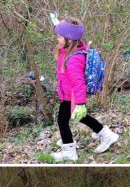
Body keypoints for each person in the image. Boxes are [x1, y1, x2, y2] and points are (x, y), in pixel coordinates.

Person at [49, 19, 119, 161]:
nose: (57, 39)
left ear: (69, 39)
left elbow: (78, 82)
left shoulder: (73, 59)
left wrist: (80, 103)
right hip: (69, 95)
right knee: (81, 117)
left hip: (72, 97)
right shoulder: (70, 50)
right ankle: (106, 134)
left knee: (62, 121)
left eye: (59, 37)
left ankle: (69, 152)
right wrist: (58, 23)